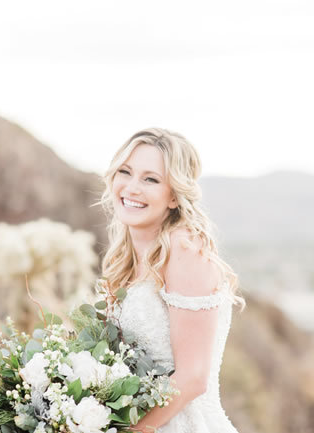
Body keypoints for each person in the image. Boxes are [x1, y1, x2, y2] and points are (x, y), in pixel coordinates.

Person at [97, 128, 245, 433]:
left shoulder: (185, 251)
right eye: (125, 172)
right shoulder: (125, 259)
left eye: (150, 179)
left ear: (175, 196)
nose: (132, 187)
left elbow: (192, 378)